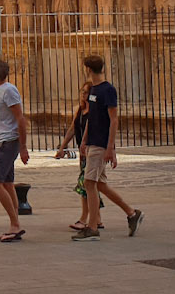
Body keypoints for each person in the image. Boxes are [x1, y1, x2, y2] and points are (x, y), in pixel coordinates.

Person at [55, 54, 144, 239]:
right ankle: (132, 213)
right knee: (100, 185)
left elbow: (114, 120)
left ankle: (93, 227)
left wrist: (110, 148)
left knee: (89, 183)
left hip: (101, 143)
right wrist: (84, 140)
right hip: (92, 142)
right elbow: (92, 119)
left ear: (88, 69)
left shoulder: (108, 90)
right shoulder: (93, 90)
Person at [0, 56, 31, 241]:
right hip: (1, 142)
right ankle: (15, 224)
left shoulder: (8, 90)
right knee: (7, 183)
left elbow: (20, 118)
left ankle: (15, 224)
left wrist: (23, 147)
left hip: (9, 142)